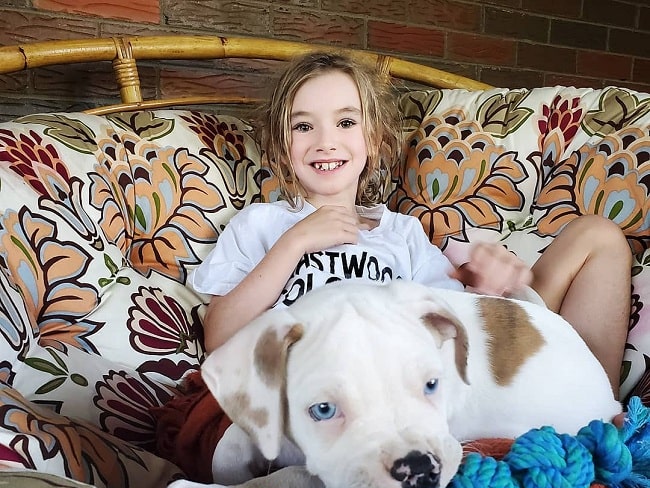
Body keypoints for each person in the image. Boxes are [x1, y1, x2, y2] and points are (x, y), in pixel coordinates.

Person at [192, 51, 632, 400]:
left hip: (438, 370)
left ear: (374, 139)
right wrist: (292, 245)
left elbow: (453, 323)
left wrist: (485, 287)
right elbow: (220, 335)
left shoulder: (400, 232)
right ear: (280, 146)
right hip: (350, 390)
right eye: (303, 125)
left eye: (346, 122)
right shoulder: (263, 224)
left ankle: (599, 414)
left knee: (598, 235)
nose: (325, 141)